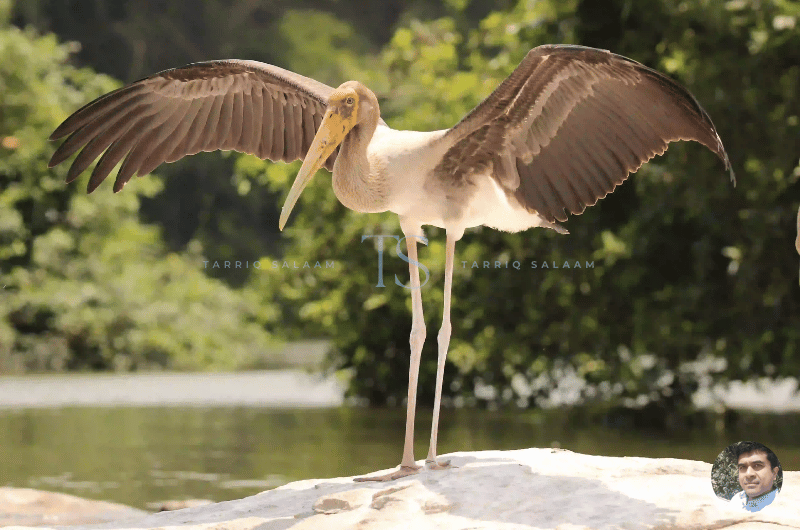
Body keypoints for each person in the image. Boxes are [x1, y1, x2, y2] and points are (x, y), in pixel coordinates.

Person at [728, 441, 781, 512]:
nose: (748, 474)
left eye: (757, 466)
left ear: (774, 473)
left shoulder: (781, 508)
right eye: (743, 467)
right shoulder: (737, 499)